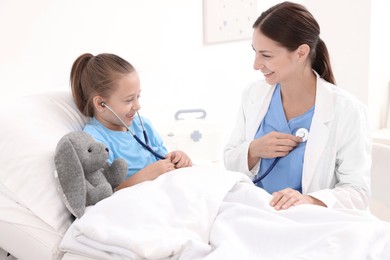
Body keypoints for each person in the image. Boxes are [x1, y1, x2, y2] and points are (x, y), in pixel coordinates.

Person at [224, 1, 371, 211]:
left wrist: (310, 200)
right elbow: (229, 161)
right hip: (256, 213)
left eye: (266, 55)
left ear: (301, 53)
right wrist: (254, 150)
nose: (256, 65)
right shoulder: (253, 95)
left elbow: (358, 192)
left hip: (310, 222)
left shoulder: (347, 110)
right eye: (255, 52)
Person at [70, 53, 192, 191]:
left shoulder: (143, 126)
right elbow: (105, 193)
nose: (138, 106)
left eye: (137, 96)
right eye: (129, 100)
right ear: (100, 104)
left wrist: (178, 159)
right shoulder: (94, 141)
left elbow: (164, 162)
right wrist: (147, 175)